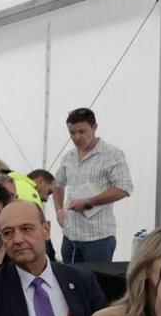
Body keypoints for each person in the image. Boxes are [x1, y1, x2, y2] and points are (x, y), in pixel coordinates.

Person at [52, 106, 133, 264]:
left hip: (98, 238)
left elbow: (124, 188)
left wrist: (89, 202)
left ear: (95, 127)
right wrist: (59, 210)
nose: (77, 137)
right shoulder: (69, 157)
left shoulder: (112, 154)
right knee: (69, 284)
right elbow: (57, 183)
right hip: (70, 236)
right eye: (72, 133)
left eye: (82, 131)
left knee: (97, 284)